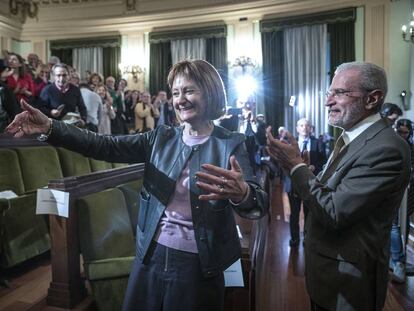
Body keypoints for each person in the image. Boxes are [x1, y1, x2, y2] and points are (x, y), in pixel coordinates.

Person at [7, 59, 268, 311]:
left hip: (199, 265)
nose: (180, 100)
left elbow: (258, 203)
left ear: (210, 93)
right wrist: (52, 127)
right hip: (150, 257)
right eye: (175, 92)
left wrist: (242, 193)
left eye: (189, 91)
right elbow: (102, 145)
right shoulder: (162, 137)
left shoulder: (231, 142)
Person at [266, 61, 411, 310]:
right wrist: (308, 171)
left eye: (340, 93)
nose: (327, 102)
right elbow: (334, 191)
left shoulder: (386, 148)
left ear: (372, 99)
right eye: (328, 93)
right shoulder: (351, 137)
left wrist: (296, 168)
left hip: (348, 287)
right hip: (328, 274)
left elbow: (334, 211)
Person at [287, 118, 326, 247]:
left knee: (310, 213)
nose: (304, 127)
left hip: (311, 184)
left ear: (311, 128)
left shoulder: (318, 143)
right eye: (301, 125)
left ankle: (308, 238)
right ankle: (294, 239)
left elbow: (324, 162)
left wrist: (314, 167)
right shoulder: (289, 144)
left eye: (307, 125)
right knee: (294, 213)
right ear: (297, 128)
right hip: (293, 184)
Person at [389, 118, 414, 283]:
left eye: (406, 133)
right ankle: (398, 260)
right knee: (395, 226)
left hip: (408, 192)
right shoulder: (391, 145)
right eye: (400, 132)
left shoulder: (411, 147)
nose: (402, 135)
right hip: (392, 190)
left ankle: (399, 260)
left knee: (400, 226)